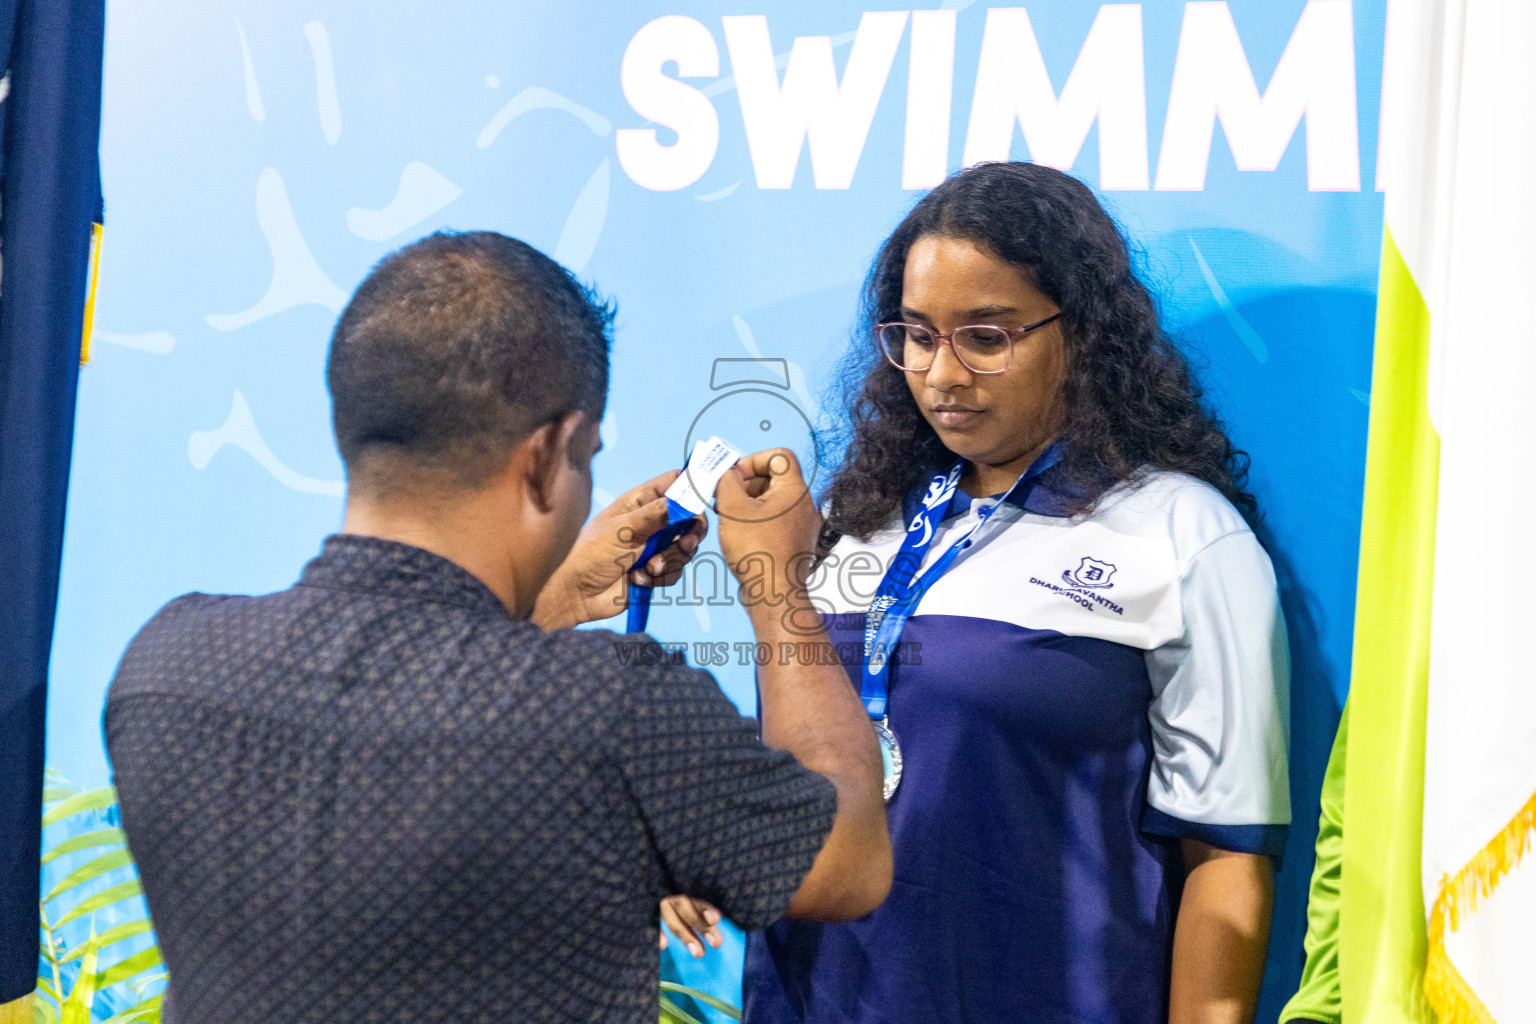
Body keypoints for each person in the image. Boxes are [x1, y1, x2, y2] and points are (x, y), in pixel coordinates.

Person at [102, 231, 891, 1023]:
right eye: (588, 455)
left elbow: (409, 694)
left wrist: (561, 595)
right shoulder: (619, 714)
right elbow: (848, 859)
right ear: (548, 456)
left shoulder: (166, 665)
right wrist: (776, 585)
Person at [739, 162, 1291, 1024]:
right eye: (918, 336)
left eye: (986, 337)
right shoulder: (865, 523)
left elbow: (1227, 853)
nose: (943, 375)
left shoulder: (1180, 532)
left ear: (1084, 335)